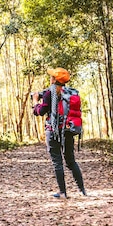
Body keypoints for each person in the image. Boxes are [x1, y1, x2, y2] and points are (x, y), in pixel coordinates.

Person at [32, 67, 86, 199]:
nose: (50, 78)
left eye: (51, 76)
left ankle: (62, 192)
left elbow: (40, 111)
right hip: (67, 130)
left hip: (53, 131)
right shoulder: (70, 92)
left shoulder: (50, 93)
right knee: (71, 161)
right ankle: (82, 190)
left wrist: (35, 102)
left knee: (57, 162)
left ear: (54, 79)